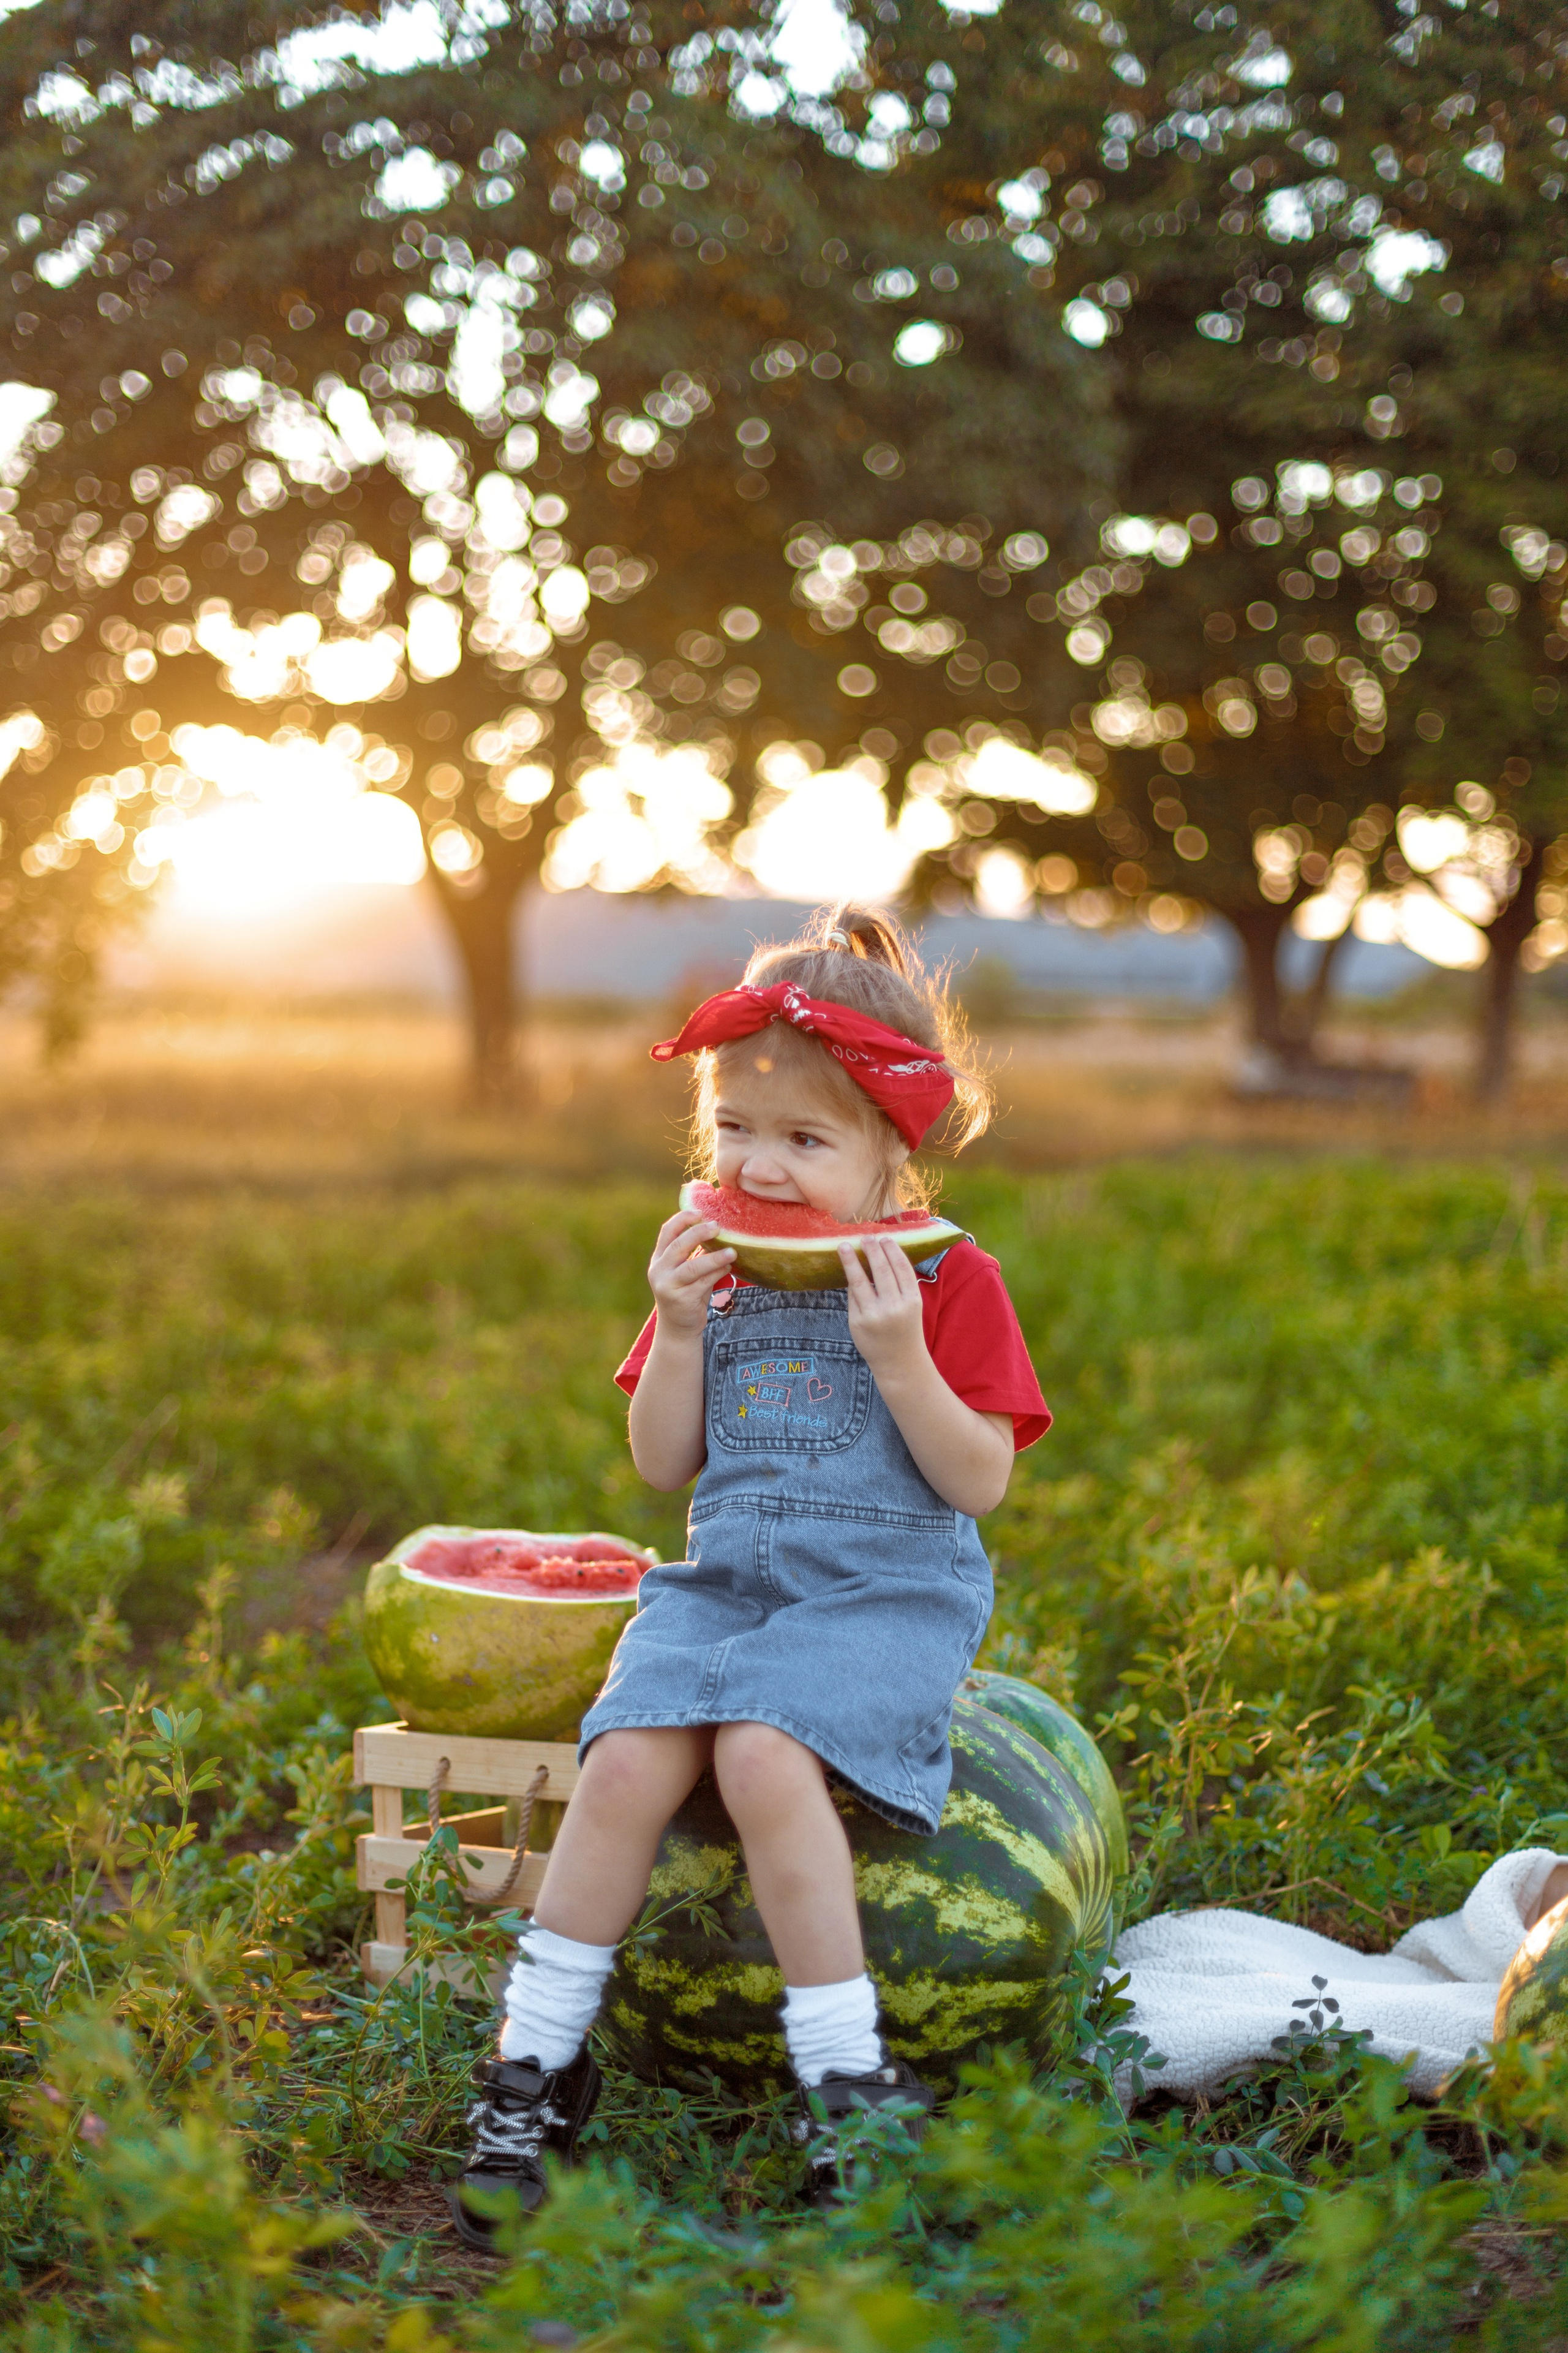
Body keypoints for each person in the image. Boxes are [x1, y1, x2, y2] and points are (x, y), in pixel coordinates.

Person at [448, 905, 1050, 2246]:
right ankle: (531, 2070)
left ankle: (845, 2081)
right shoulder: (711, 1276)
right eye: (731, 1132)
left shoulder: (950, 1279)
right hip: (723, 1590)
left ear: (896, 1150)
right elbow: (662, 1465)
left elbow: (978, 1483)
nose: (757, 1168)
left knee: (767, 1759)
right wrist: (671, 1326)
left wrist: (899, 1359)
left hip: (877, 1596)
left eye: (803, 1139)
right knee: (619, 1767)